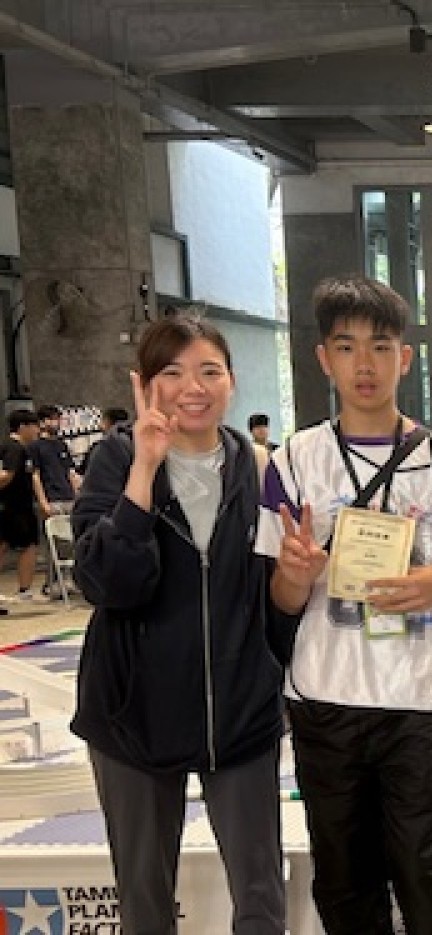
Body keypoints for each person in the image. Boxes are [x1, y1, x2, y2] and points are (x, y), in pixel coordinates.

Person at [257, 276, 432, 935]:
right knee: (342, 877)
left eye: (381, 346)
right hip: (325, 697)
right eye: (347, 346)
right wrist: (297, 574)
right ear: (323, 358)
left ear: (404, 358)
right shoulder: (294, 460)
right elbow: (281, 598)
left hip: (418, 696)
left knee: (423, 870)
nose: (365, 363)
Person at [70, 316, 287, 935]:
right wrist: (144, 469)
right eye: (172, 372)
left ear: (231, 381)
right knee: (145, 903)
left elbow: (273, 596)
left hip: (240, 713)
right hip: (132, 713)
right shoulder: (115, 460)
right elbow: (108, 584)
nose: (193, 387)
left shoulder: (258, 468)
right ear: (144, 384)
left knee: (261, 899)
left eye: (209, 371)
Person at [0, 409, 42, 601]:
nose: (37, 431)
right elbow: (6, 475)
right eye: (34, 426)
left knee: (26, 544)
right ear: (23, 427)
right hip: (13, 507)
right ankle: (24, 590)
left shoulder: (22, 449)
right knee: (17, 545)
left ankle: (25, 590)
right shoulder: (14, 449)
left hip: (20, 506)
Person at [31, 404, 81, 516]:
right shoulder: (35, 446)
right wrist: (43, 503)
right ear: (42, 422)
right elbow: (35, 476)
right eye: (52, 419)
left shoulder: (62, 445)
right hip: (51, 499)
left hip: (69, 498)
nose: (56, 423)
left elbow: (70, 472)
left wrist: (77, 497)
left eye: (58, 419)